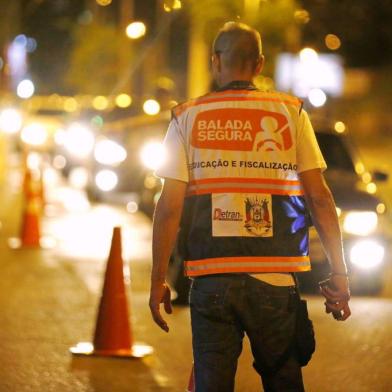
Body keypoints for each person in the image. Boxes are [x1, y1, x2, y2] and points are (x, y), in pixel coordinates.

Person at [149, 22, 351, 392]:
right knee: (284, 381)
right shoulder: (290, 114)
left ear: (215, 62)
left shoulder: (187, 117)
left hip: (211, 278)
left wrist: (158, 278)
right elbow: (320, 198)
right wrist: (340, 272)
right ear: (259, 64)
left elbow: (168, 208)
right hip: (275, 278)